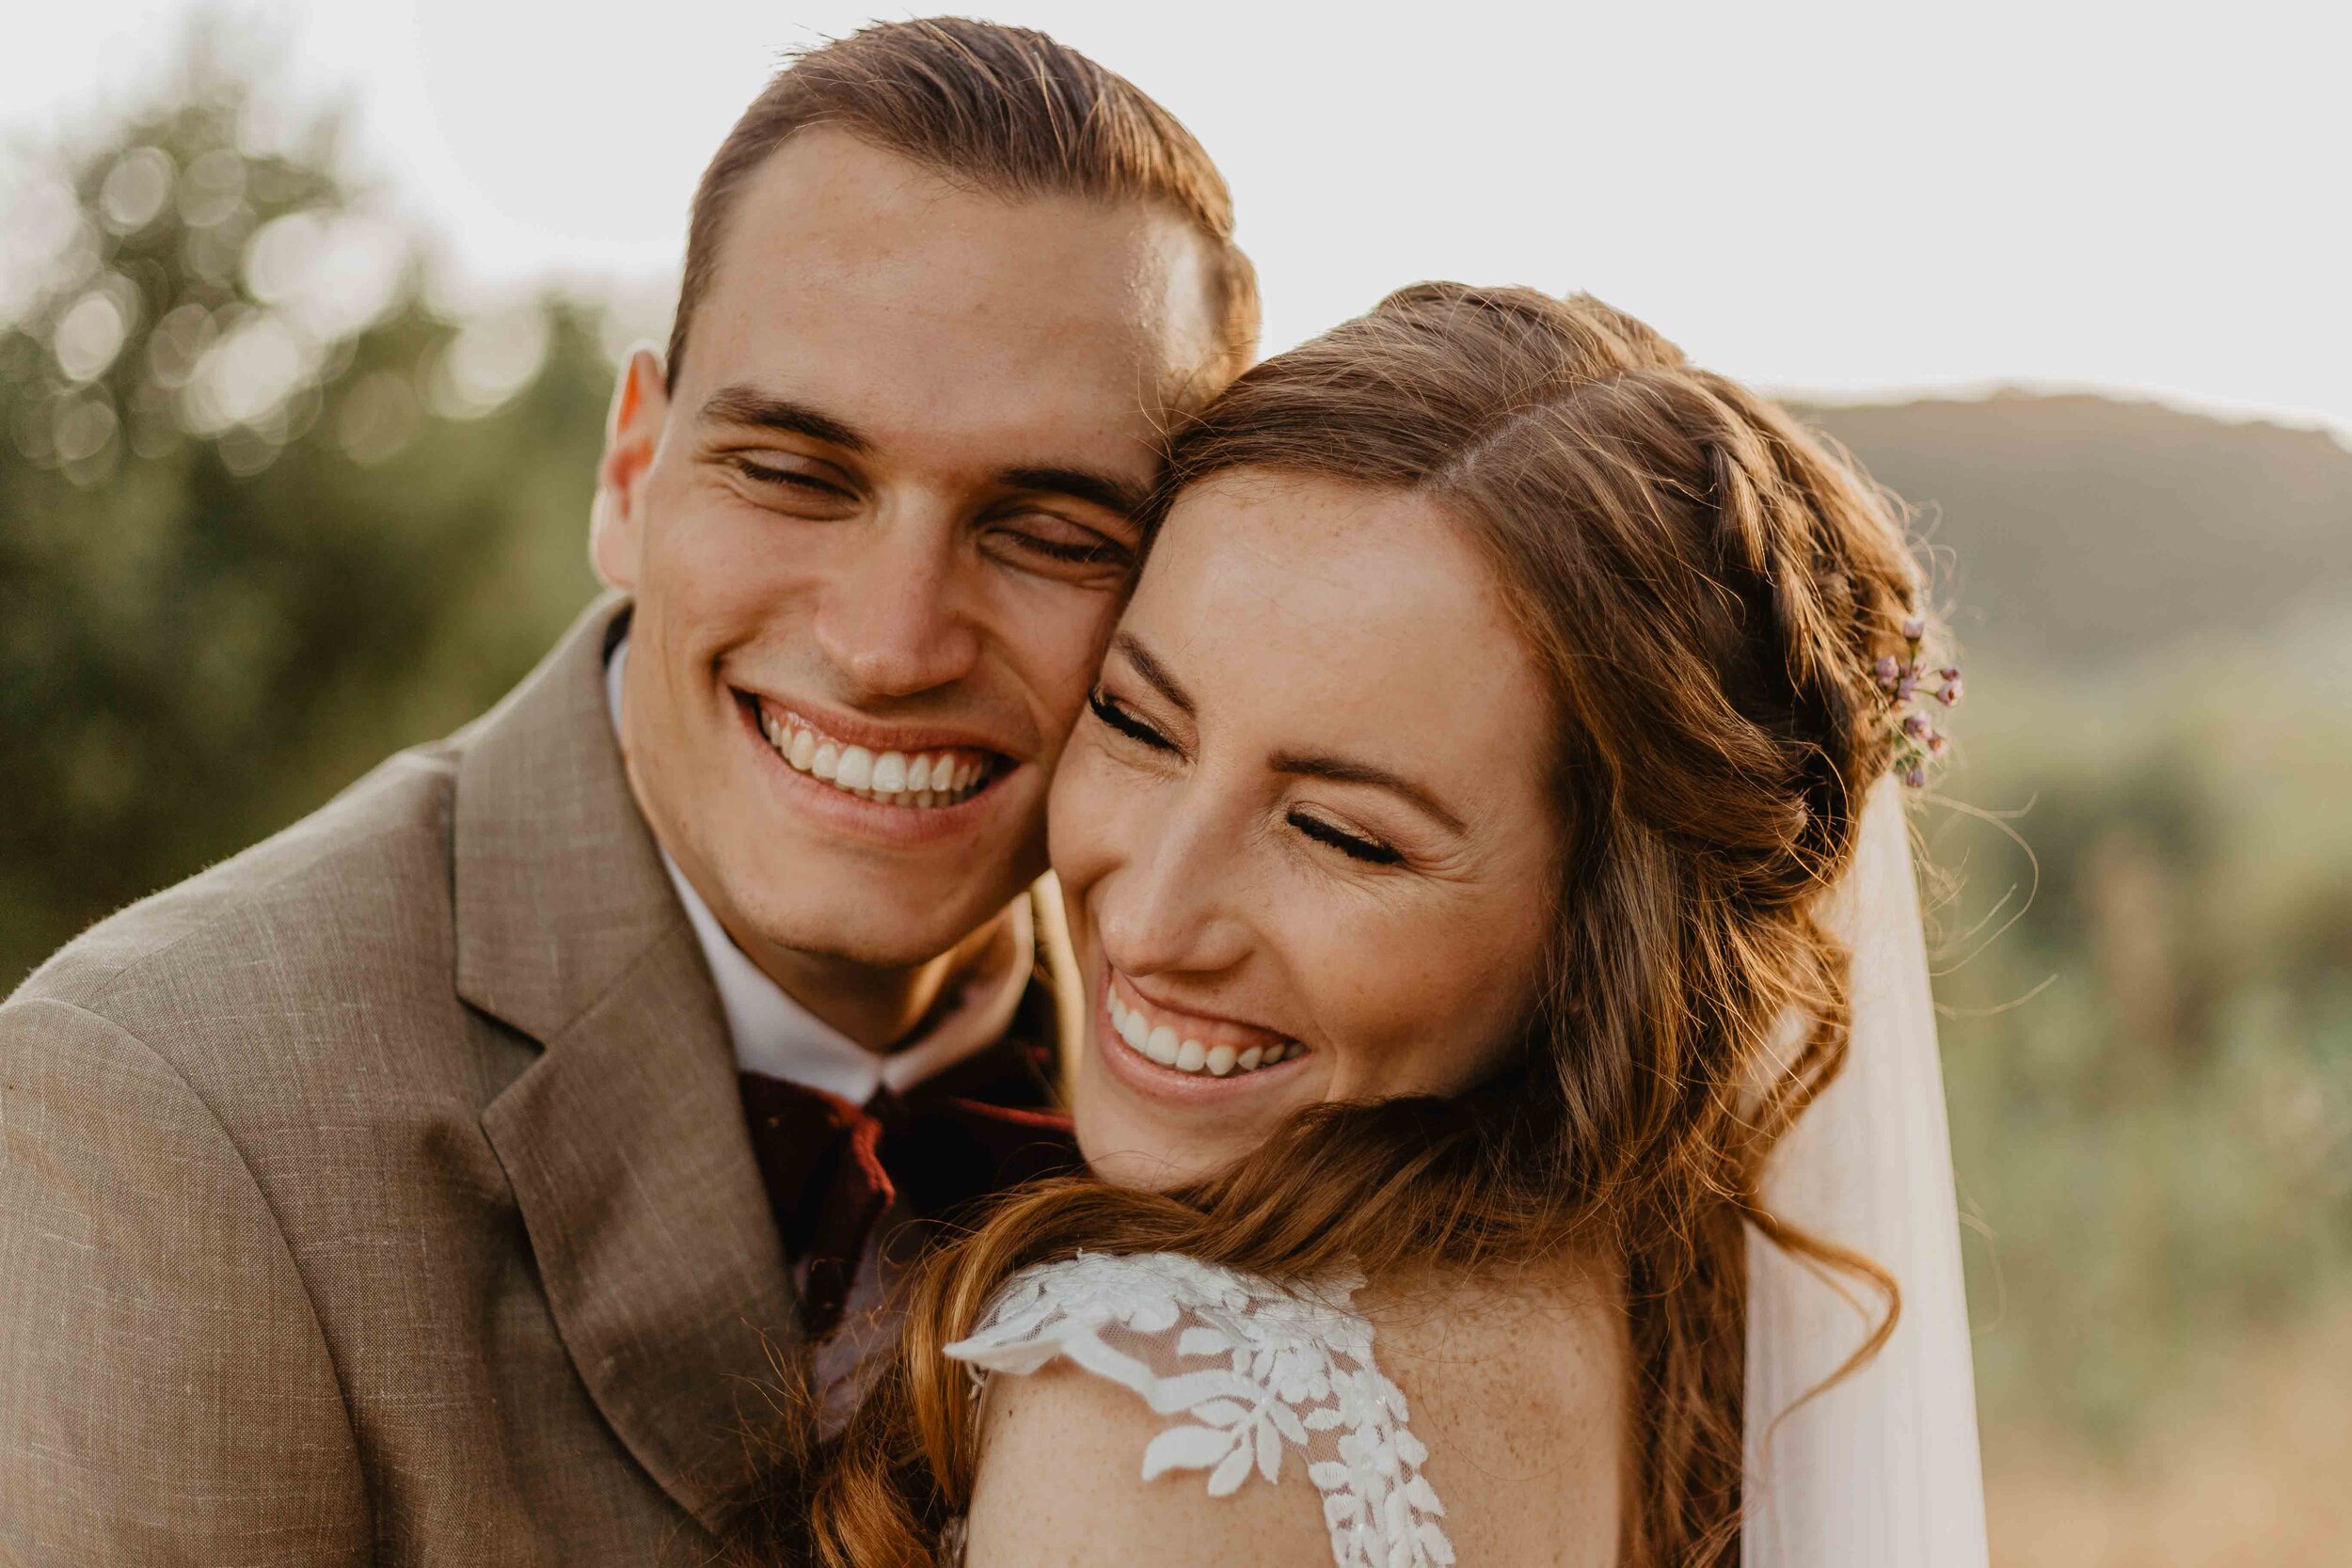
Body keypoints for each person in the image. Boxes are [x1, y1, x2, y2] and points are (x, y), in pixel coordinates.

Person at [0, 20, 1253, 1565]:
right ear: (629, 472)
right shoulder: (163, 1118)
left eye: (1051, 529)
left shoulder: (1289, 1086)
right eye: (797, 473)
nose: (887, 644)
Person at [790, 287, 1988, 1566]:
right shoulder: (1667, 1330)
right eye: (1138, 724)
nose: (1150, 916)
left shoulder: (1154, 1417)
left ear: (1605, 938)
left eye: (1344, 835)